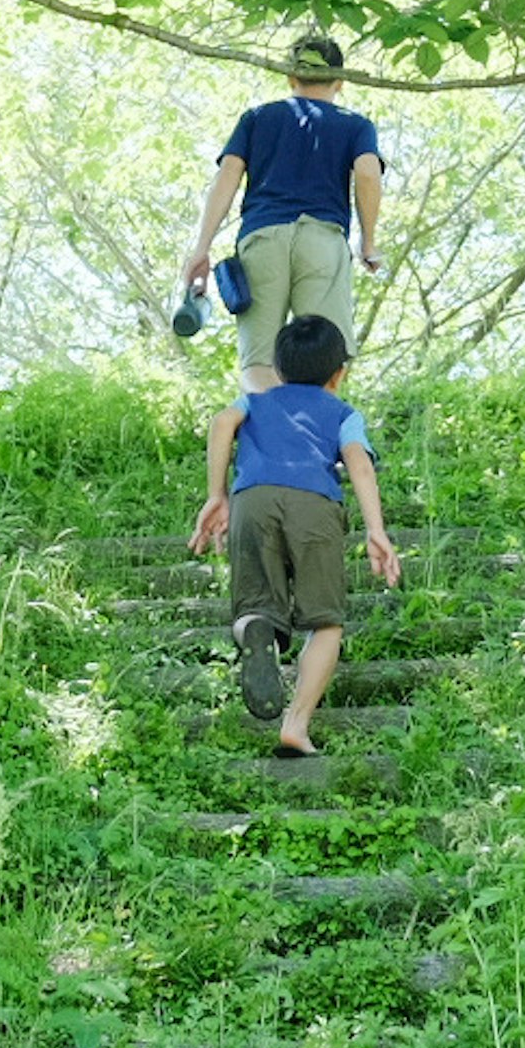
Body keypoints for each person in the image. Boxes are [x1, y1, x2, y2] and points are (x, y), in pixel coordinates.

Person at [188, 312, 401, 752]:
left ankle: (258, 629)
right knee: (325, 623)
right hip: (315, 506)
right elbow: (359, 463)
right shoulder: (343, 413)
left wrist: (217, 495)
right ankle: (296, 724)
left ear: (279, 370)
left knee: (254, 605)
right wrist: (376, 531)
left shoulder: (257, 401)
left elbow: (221, 423)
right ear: (338, 373)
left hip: (253, 499)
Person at [179, 34, 383, 395]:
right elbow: (368, 173)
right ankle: (312, 445)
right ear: (340, 81)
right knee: (324, 360)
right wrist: (367, 243)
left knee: (258, 360)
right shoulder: (356, 125)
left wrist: (202, 248)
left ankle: (270, 440)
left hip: (263, 239)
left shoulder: (257, 119)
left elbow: (226, 178)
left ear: (291, 77)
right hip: (322, 239)